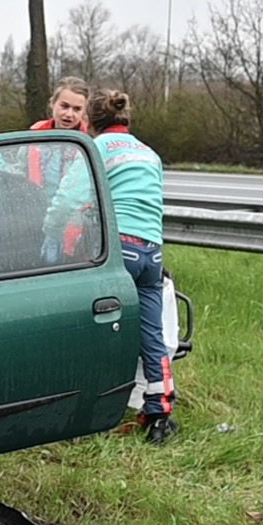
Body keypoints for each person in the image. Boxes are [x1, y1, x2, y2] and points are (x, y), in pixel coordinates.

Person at [87, 88, 177, 444]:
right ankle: (161, 411)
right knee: (152, 336)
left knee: (100, 328)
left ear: (92, 123)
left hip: (118, 248)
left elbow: (73, 196)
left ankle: (95, 405)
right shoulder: (150, 154)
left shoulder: (96, 149)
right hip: (151, 252)